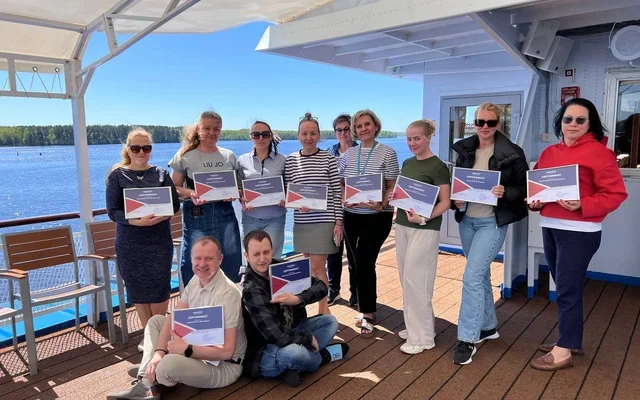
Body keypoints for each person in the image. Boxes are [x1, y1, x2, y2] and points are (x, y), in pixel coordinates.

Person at [529, 98, 628, 371]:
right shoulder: (550, 152)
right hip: (551, 226)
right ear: (560, 122)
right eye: (568, 119)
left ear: (589, 123)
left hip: (579, 231)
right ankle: (570, 339)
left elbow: (616, 194)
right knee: (564, 287)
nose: (573, 124)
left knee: (567, 289)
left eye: (580, 120)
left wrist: (583, 204)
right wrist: (534, 203)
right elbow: (536, 188)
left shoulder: (600, 153)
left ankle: (563, 351)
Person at [106, 236, 247, 400]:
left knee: (167, 365)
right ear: (191, 259)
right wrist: (159, 353)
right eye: (198, 258)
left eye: (209, 258)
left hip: (224, 366)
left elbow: (227, 351)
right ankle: (147, 376)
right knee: (156, 322)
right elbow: (173, 318)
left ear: (220, 259)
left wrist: (187, 350)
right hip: (200, 350)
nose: (202, 264)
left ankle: (150, 378)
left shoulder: (228, 294)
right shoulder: (197, 279)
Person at [450, 102, 528, 365]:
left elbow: (524, 188)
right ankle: (487, 326)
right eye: (480, 122)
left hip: (492, 223)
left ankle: (467, 338)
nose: (485, 127)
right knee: (480, 275)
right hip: (467, 221)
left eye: (490, 122)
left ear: (498, 124)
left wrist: (506, 192)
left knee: (471, 277)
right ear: (473, 123)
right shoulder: (465, 150)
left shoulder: (513, 153)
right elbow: (458, 184)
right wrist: (456, 201)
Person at [240, 230, 349, 387]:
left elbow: (321, 287)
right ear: (247, 256)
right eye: (256, 254)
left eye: (266, 252)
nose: (263, 259)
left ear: (272, 250)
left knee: (330, 322)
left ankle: (297, 366)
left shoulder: (281, 268)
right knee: (294, 353)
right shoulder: (251, 288)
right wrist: (308, 339)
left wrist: (298, 299)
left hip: (292, 329)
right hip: (266, 348)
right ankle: (320, 358)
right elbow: (275, 334)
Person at [106, 128, 180, 330]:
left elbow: (174, 205)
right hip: (131, 244)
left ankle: (159, 334)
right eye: (136, 148)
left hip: (159, 242)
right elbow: (113, 211)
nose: (141, 152)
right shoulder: (117, 176)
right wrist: (136, 222)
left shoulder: (161, 174)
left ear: (151, 150)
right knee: (137, 290)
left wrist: (162, 215)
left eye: (146, 148)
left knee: (160, 289)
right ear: (128, 149)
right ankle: (149, 336)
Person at [389, 119, 451, 355]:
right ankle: (418, 328)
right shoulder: (407, 163)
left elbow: (445, 202)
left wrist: (425, 218)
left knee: (419, 282)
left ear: (428, 137)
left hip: (425, 228)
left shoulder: (438, 167)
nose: (412, 143)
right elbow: (404, 194)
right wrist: (394, 198)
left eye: (417, 138)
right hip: (403, 225)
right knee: (407, 279)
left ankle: (423, 339)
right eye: (409, 139)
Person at [339, 109, 399, 337]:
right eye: (359, 125)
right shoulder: (349, 154)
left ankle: (367, 311)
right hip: (351, 215)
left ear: (376, 126)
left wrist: (382, 204)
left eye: (367, 124)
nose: (363, 129)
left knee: (364, 260)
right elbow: (342, 182)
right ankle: (365, 302)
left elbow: (392, 185)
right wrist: (344, 198)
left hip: (377, 216)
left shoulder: (387, 152)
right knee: (357, 262)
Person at [168, 111, 243, 285]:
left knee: (231, 258)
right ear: (198, 129)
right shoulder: (184, 155)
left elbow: (238, 187)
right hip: (197, 214)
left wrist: (233, 194)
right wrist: (191, 193)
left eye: (216, 129)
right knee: (196, 261)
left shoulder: (229, 156)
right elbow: (174, 188)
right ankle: (195, 299)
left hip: (225, 214)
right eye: (207, 128)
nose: (212, 133)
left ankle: (229, 297)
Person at [284, 112, 343, 315]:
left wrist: (338, 222)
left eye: (313, 133)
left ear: (319, 135)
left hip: (324, 221)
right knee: (309, 268)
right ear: (298, 135)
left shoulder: (328, 158)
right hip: (302, 222)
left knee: (318, 268)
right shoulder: (291, 160)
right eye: (304, 133)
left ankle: (324, 310)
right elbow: (288, 191)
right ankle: (320, 308)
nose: (308, 137)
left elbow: (336, 191)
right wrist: (296, 204)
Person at [237, 121, 287, 259]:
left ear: (270, 136)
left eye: (265, 134)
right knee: (252, 258)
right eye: (256, 134)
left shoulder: (282, 160)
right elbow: (238, 187)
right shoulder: (242, 160)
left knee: (272, 258)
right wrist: (241, 197)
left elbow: (288, 185)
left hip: (275, 218)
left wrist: (285, 197)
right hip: (250, 218)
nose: (260, 138)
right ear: (251, 137)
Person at [325, 113, 358, 305]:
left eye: (346, 129)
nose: (343, 133)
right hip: (333, 209)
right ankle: (333, 290)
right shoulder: (328, 153)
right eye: (339, 130)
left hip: (355, 209)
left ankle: (356, 293)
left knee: (354, 254)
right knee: (334, 252)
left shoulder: (361, 151)